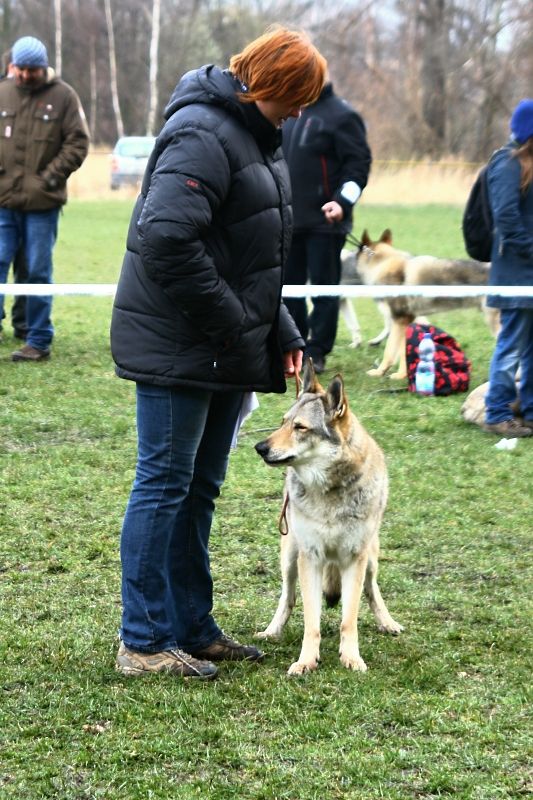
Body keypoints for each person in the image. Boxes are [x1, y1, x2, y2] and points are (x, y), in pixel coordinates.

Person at [110, 26, 327, 679]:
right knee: (163, 486)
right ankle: (143, 642)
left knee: (197, 489)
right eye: (297, 96)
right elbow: (167, 238)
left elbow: (251, 260)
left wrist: (280, 331)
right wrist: (237, 324)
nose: (300, 111)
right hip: (181, 344)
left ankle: (190, 627)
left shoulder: (255, 139)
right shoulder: (204, 133)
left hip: (220, 346)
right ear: (270, 83)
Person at [0, 36, 89, 361]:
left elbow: (78, 143)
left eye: (31, 70)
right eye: (20, 69)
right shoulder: (2, 92)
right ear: (13, 66)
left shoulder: (63, 96)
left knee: (38, 270)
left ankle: (38, 340)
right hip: (3, 202)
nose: (25, 75)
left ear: (43, 68)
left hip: (42, 204)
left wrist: (49, 178)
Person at [282, 81, 371, 373]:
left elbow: (358, 167)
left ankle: (317, 351)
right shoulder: (289, 112)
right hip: (289, 220)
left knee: (324, 289)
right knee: (288, 288)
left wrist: (342, 202)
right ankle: (293, 345)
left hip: (325, 223)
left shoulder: (342, 116)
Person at [483, 98, 533, 438]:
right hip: (517, 273)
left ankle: (529, 409)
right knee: (511, 346)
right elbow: (506, 219)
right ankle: (497, 412)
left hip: (527, 273)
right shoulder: (507, 163)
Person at [0, 49, 28, 342]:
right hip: (3, 200)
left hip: (35, 201)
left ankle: (24, 324)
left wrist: (45, 180)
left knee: (30, 266)